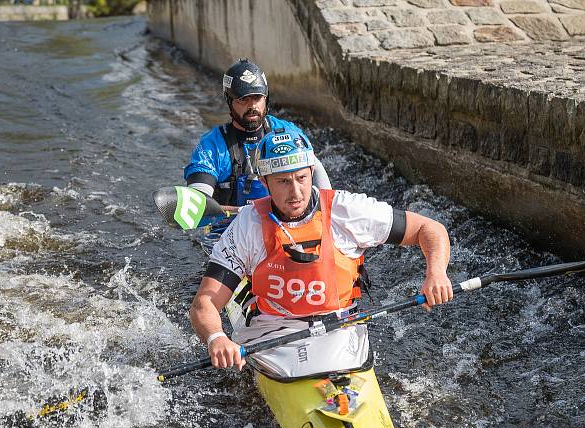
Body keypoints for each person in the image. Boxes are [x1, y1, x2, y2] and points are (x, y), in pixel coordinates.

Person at [189, 128, 453, 378]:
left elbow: (429, 228)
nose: (295, 192)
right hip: (271, 334)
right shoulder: (247, 226)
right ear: (265, 182)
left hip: (339, 327)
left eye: (302, 178)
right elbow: (205, 303)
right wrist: (217, 338)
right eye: (282, 182)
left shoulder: (346, 211)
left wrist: (436, 273)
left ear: (311, 172)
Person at [184, 58, 331, 212]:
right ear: (229, 101)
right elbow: (196, 204)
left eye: (257, 98)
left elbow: (317, 180)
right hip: (230, 229)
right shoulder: (212, 145)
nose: (252, 106)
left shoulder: (289, 132)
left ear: (266, 99)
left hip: (283, 227)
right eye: (243, 99)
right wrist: (251, 214)